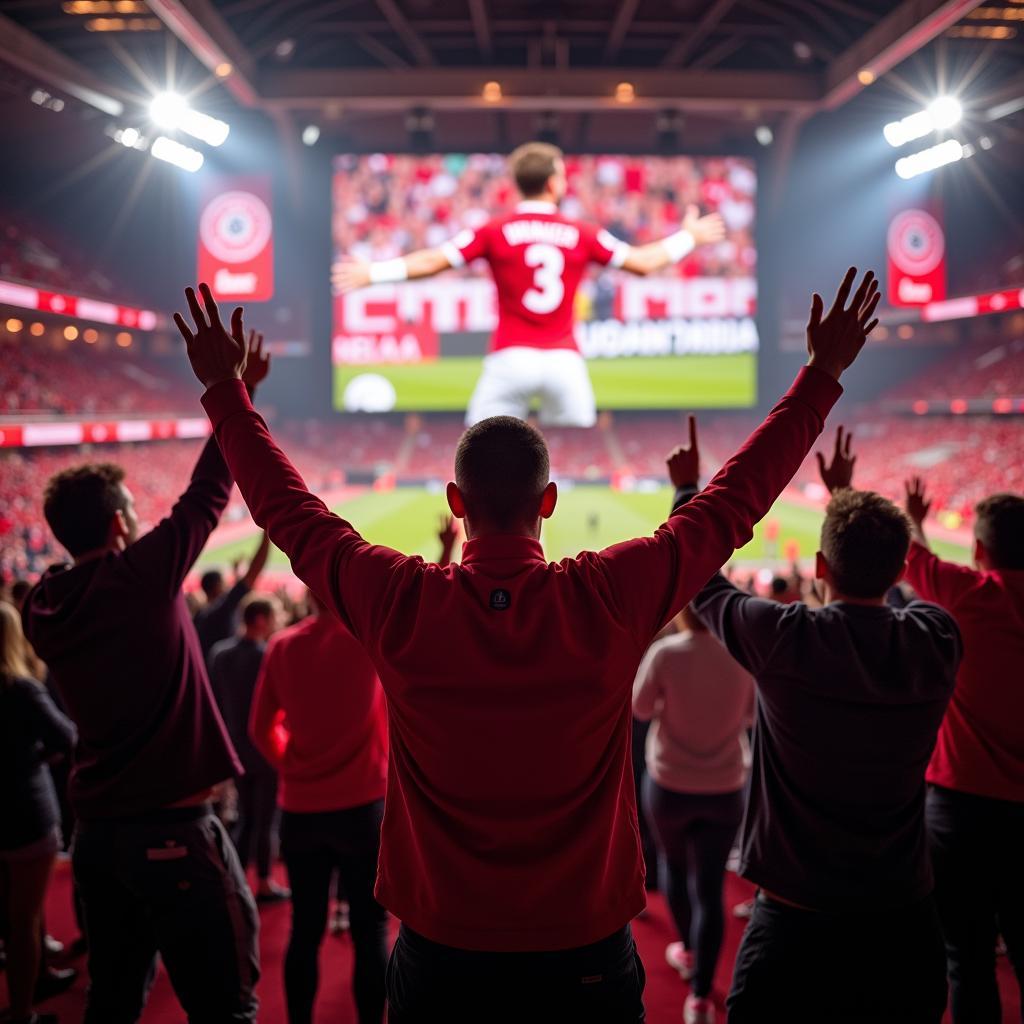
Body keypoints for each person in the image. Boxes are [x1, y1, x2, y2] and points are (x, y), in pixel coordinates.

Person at [174, 269, 879, 1022]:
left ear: (455, 503)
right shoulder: (606, 596)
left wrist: (226, 395)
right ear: (549, 502)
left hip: (443, 947)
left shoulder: (402, 601)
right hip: (584, 951)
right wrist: (820, 377)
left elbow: (290, 513)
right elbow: (731, 505)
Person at [21, 318, 270, 1024]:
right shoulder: (138, 578)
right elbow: (207, 492)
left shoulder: (44, 604)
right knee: (227, 1005)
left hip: (97, 834)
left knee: (114, 998)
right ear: (119, 526)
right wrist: (234, 390)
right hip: (173, 828)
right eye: (132, 509)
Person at [689, 425, 962, 1023]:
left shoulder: (784, 637)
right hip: (903, 919)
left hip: (794, 918)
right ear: (898, 569)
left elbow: (699, 579)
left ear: (819, 567)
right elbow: (906, 599)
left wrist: (687, 488)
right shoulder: (937, 639)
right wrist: (852, 504)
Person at [334, 141, 726, 427]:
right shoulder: (580, 231)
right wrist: (689, 237)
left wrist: (375, 273)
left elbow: (434, 261)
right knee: (573, 455)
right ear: (554, 184)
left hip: (510, 358)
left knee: (479, 453)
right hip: (564, 362)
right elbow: (644, 262)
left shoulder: (495, 230)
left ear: (517, 185)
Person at [902, 478, 1024, 1023]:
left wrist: (911, 516)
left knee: (966, 959)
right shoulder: (971, 594)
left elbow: (909, 557)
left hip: (961, 809)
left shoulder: (969, 596)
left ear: (978, 550)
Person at [250, 590, 389, 1024]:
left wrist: (290, 762)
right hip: (363, 805)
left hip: (302, 809)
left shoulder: (282, 646)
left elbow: (259, 728)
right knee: (371, 934)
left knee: (304, 931)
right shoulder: (367, 639)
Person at [632, 593, 754, 1024]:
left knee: (674, 867)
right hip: (725, 787)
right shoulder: (741, 655)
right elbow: (753, 718)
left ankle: (687, 947)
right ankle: (701, 995)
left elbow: (640, 708)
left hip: (670, 783)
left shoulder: (667, 653)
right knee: (710, 885)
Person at [0, 602, 77, 1024]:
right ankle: (24, 1010)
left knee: (14, 914)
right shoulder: (22, 688)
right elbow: (66, 736)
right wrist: (39, 756)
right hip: (27, 811)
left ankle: (35, 979)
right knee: (24, 919)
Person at [208, 593, 289, 904]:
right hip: (264, 748)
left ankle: (237, 878)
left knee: (246, 816)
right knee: (264, 819)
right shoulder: (266, 655)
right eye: (272, 618)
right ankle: (264, 882)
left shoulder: (220, 653)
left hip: (235, 748)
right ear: (259, 619)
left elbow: (213, 702)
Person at [194, 528, 271, 658]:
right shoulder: (219, 610)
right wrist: (267, 534)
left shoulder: (201, 615)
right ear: (217, 586)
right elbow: (252, 574)